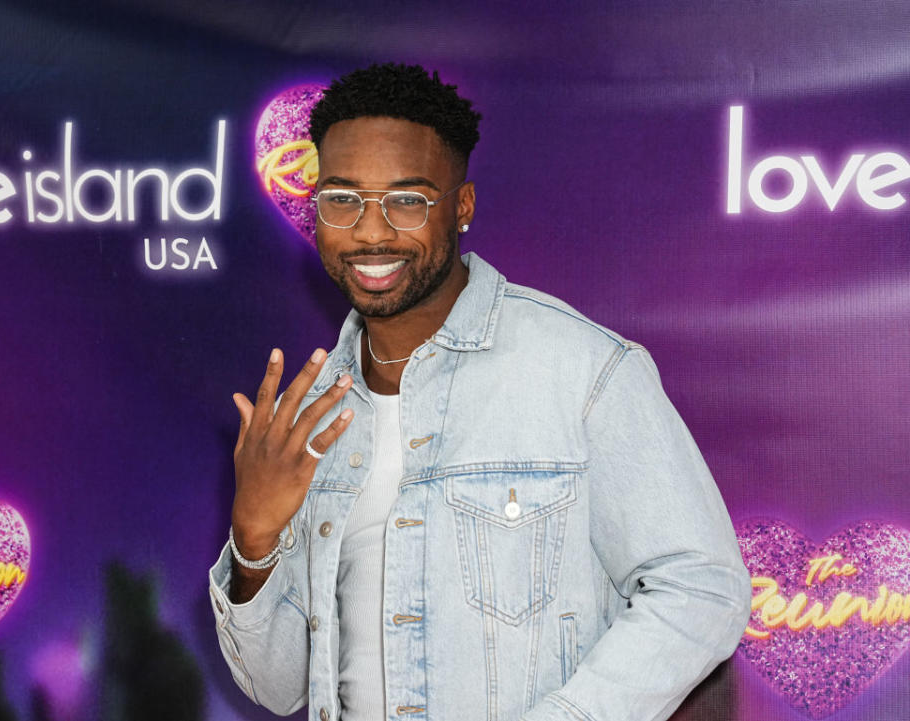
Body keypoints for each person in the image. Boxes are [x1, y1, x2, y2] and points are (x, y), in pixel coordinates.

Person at [208, 63, 751, 721]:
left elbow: (701, 588)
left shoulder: (584, 371)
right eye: (342, 198)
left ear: (461, 208)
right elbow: (279, 685)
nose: (371, 232)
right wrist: (255, 542)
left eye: (406, 200)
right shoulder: (313, 412)